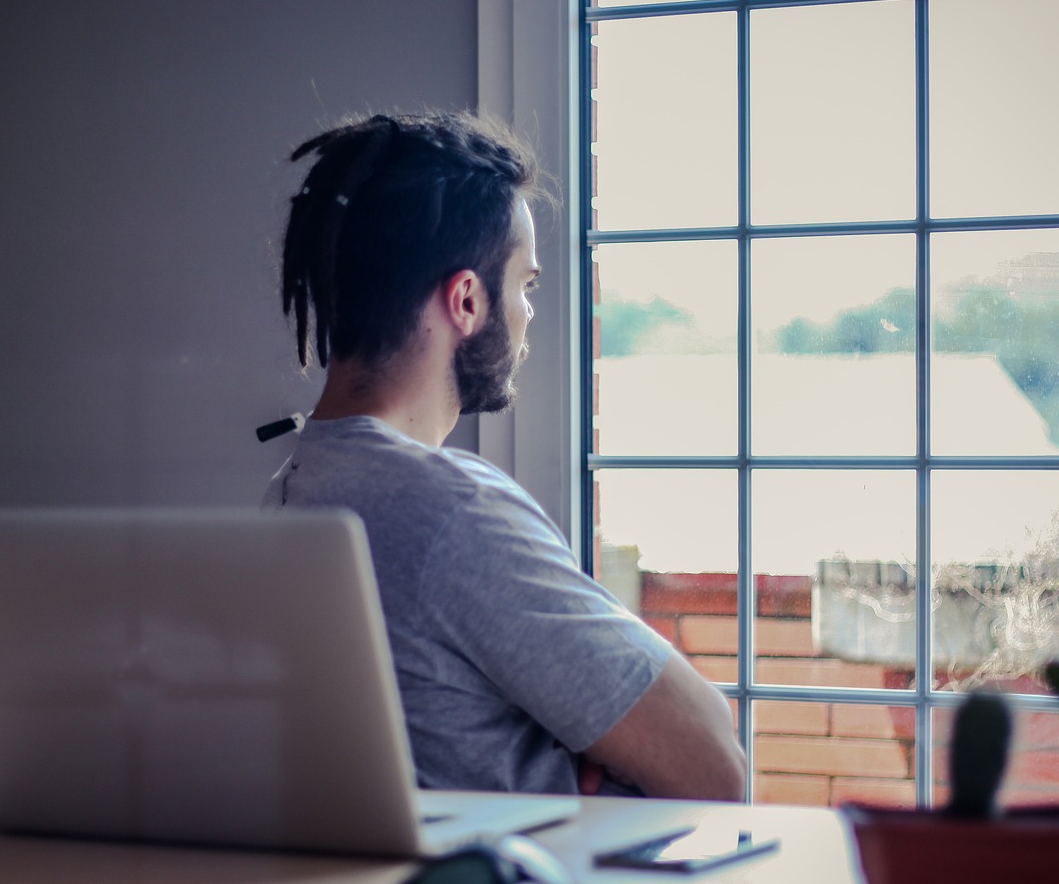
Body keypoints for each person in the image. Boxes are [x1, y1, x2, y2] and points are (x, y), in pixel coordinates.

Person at [263, 111, 745, 801]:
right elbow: (714, 763)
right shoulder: (448, 511)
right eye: (525, 284)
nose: (529, 312)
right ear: (466, 299)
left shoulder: (293, 489)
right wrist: (580, 742)